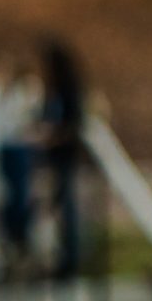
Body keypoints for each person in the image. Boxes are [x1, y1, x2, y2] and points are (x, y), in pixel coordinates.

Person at [0, 48, 43, 262]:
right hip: (2, 148)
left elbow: (25, 117)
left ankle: (20, 236)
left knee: (20, 193)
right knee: (4, 194)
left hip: (19, 147)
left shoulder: (25, 90)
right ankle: (7, 237)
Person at [35, 37, 89, 281]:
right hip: (53, 156)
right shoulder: (52, 90)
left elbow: (74, 123)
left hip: (64, 154)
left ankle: (71, 259)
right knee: (57, 208)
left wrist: (55, 136)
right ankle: (61, 257)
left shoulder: (68, 89)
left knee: (67, 208)